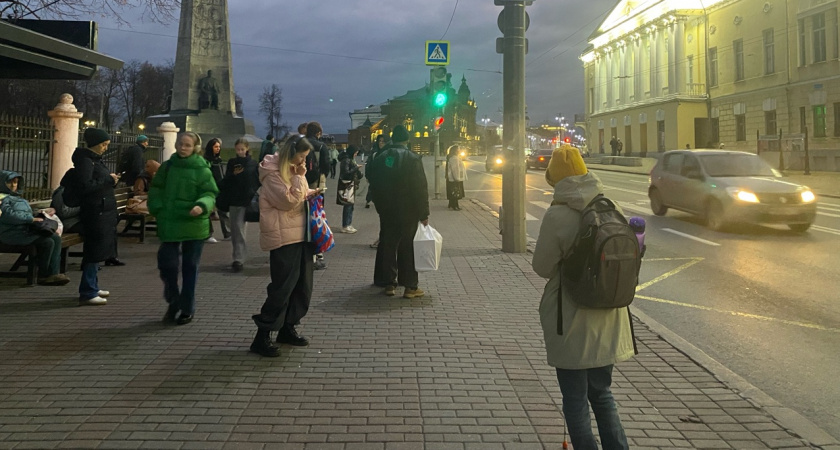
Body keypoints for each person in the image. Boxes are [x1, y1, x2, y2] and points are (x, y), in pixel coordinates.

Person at [532, 145, 635, 450]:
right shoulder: (610, 205)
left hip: (573, 320)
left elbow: (542, 267)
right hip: (609, 315)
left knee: (575, 400)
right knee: (602, 394)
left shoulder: (558, 214)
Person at [250, 135, 319, 357]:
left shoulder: (293, 171)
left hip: (301, 234)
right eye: (302, 156)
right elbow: (287, 201)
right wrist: (300, 181)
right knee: (282, 289)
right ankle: (262, 336)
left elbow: (297, 196)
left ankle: (288, 328)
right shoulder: (272, 174)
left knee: (302, 287)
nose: (304, 161)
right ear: (291, 153)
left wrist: (310, 192)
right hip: (284, 238)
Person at [149, 131, 219, 325]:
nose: (182, 147)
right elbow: (156, 189)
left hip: (193, 223)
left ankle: (187, 308)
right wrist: (157, 207)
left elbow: (210, 192)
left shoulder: (202, 169)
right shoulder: (168, 167)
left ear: (195, 147)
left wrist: (202, 205)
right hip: (170, 220)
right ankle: (174, 300)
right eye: (180, 144)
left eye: (187, 145)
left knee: (190, 268)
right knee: (167, 265)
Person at [366, 125, 429, 299]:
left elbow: (374, 183)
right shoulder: (413, 158)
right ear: (407, 140)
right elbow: (420, 188)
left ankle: (389, 283)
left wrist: (379, 205)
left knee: (388, 244)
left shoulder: (380, 157)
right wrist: (424, 213)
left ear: (393, 139)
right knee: (407, 246)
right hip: (408, 210)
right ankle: (410, 286)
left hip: (387, 209)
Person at [73, 128, 119, 305]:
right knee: (94, 250)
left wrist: (110, 180)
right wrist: (108, 180)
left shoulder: (94, 160)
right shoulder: (86, 161)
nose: (105, 148)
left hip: (103, 209)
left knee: (98, 249)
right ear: (94, 144)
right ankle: (88, 291)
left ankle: (92, 285)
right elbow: (85, 186)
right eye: (103, 145)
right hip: (95, 211)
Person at [0, 171, 70, 286]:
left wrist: (40, 212)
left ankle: (53, 273)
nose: (13, 185)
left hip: (24, 231)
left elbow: (26, 213)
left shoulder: (19, 199)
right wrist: (30, 219)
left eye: (16, 182)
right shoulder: (2, 199)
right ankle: (43, 274)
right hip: (11, 233)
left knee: (55, 239)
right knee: (47, 242)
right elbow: (7, 215)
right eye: (9, 182)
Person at [220, 138, 259, 272]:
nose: (240, 152)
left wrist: (253, 192)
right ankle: (238, 256)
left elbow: (256, 180)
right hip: (235, 199)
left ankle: (239, 258)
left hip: (246, 199)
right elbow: (226, 180)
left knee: (239, 229)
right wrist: (234, 175)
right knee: (236, 229)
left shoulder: (253, 163)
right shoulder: (232, 162)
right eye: (238, 149)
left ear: (247, 149)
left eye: (242, 149)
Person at [304, 122, 331, 270]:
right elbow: (326, 165)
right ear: (319, 132)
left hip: (301, 183)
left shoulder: (300, 143)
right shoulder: (321, 146)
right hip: (317, 185)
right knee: (317, 216)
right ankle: (318, 252)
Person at [204, 138, 230, 243]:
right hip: (211, 189)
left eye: (219, 147)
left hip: (220, 189)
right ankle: (207, 234)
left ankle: (228, 233)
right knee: (208, 212)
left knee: (223, 211)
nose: (218, 149)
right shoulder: (207, 161)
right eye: (215, 147)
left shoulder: (219, 160)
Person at [338, 145, 362, 233]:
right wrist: (356, 168)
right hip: (347, 184)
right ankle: (345, 225)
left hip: (350, 184)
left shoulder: (349, 159)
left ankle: (348, 224)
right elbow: (346, 172)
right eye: (355, 153)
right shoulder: (346, 160)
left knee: (350, 205)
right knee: (348, 205)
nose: (356, 154)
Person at [365, 134, 388, 209]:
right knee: (371, 189)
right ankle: (368, 201)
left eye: (383, 141)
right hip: (375, 176)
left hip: (385, 177)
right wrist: (367, 175)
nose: (381, 143)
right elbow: (368, 164)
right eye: (380, 141)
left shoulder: (389, 153)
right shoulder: (375, 153)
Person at [445, 145, 466, 211]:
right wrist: (457, 178)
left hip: (452, 178)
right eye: (458, 149)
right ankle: (455, 205)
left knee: (453, 192)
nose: (460, 150)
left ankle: (451, 204)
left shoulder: (452, 157)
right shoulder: (454, 158)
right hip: (454, 179)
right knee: (456, 192)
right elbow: (455, 169)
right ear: (455, 150)